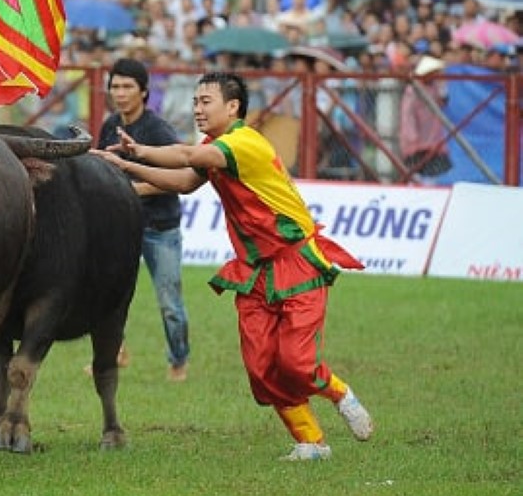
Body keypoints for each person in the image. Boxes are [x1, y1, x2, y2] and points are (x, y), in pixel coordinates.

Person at [91, 71, 374, 461]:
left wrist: (136, 152)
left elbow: (189, 157)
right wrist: (125, 169)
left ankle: (340, 393)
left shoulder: (243, 143)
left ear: (233, 106)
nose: (197, 109)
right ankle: (311, 442)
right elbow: (185, 182)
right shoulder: (214, 147)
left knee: (296, 362)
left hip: (296, 263)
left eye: (205, 101)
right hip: (254, 270)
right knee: (261, 369)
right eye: (195, 102)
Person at [96, 59, 190, 382]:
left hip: (159, 227)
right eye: (115, 87)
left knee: (170, 304)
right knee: (110, 296)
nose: (120, 94)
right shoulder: (109, 126)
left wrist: (129, 190)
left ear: (144, 92)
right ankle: (114, 353)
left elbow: (178, 175)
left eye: (127, 87)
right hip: (120, 228)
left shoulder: (158, 130)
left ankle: (178, 360)